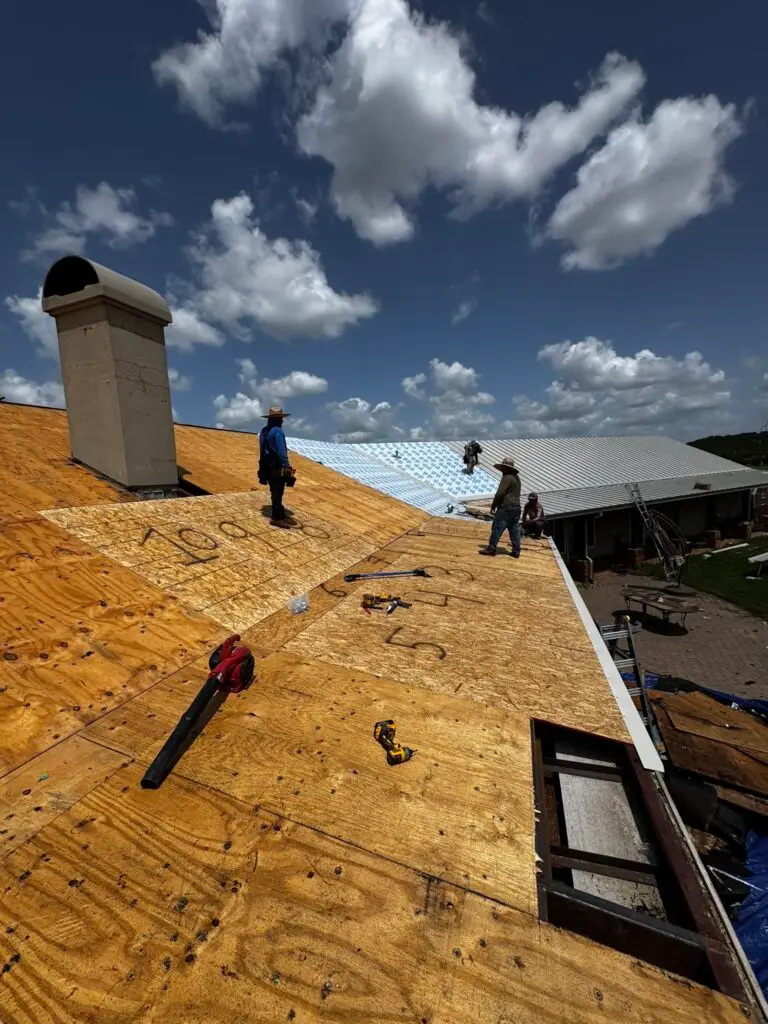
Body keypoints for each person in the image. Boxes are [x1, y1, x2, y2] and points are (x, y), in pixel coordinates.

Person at [258, 406, 294, 527]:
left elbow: (262, 449)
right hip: (276, 466)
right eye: (281, 419)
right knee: (278, 491)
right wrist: (287, 466)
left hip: (266, 466)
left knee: (274, 490)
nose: (282, 421)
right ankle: (277, 517)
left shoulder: (264, 431)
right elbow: (281, 452)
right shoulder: (278, 432)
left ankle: (279, 511)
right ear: (279, 420)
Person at [480, 457, 521, 557]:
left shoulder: (507, 477)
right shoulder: (516, 478)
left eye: (503, 468)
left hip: (506, 508)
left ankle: (491, 548)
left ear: (506, 468)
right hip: (516, 508)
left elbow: (500, 493)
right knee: (514, 529)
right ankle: (516, 551)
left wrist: (494, 505)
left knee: (497, 527)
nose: (502, 470)